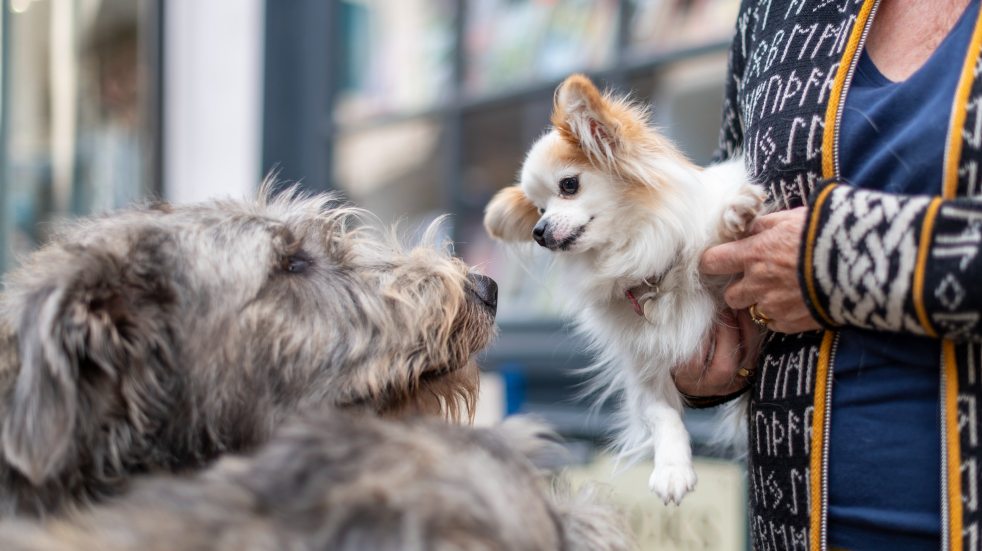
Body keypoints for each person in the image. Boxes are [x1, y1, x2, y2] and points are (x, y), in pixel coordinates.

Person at [673, 0, 982, 549]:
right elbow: (727, 184)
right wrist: (699, 339)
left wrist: (833, 261)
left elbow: (810, 262)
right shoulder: (769, 11)